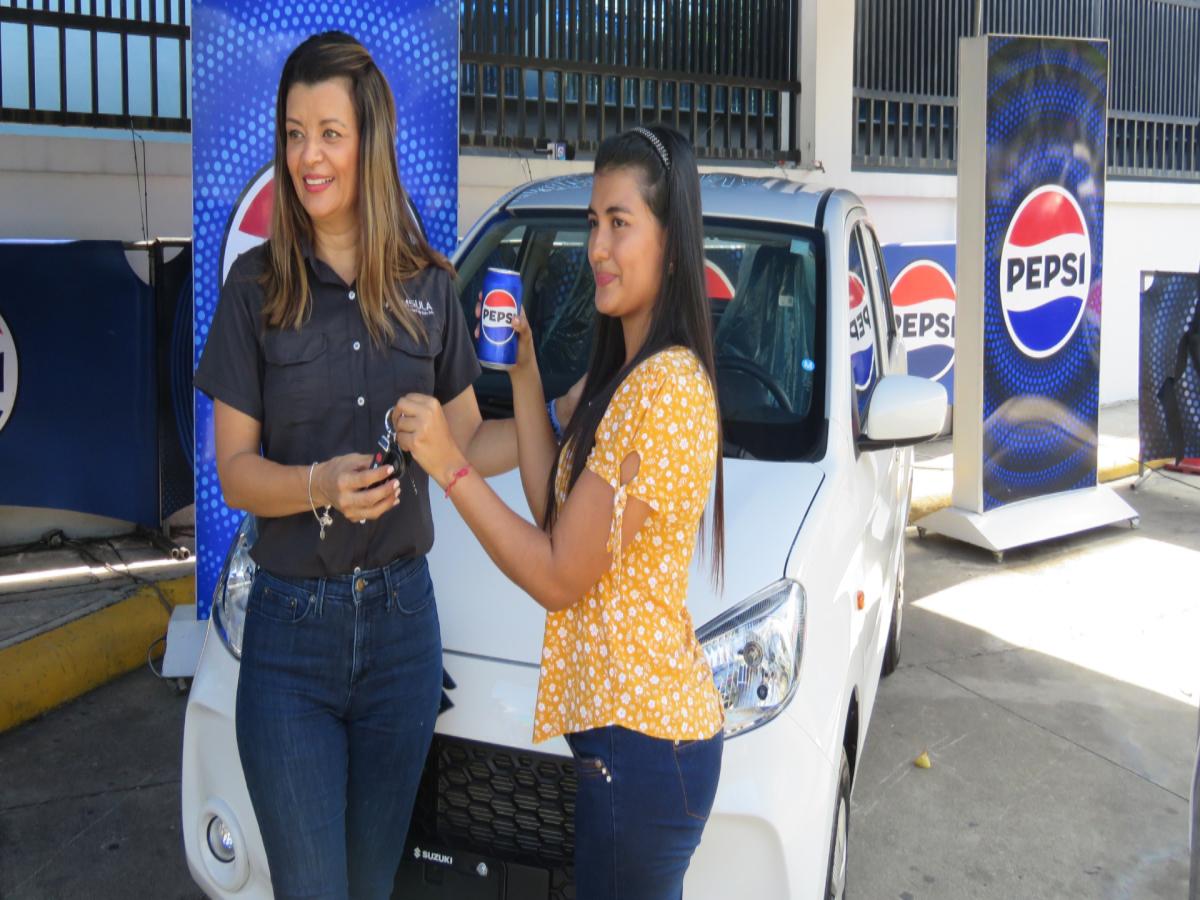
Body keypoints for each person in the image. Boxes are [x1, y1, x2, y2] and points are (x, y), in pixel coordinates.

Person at [192, 31, 561, 899]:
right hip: (290, 636)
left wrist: (549, 406)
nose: (308, 157)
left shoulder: (429, 285)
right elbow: (235, 471)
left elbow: (465, 447)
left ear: (371, 141)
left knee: (371, 886)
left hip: (402, 635)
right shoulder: (255, 289)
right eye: (294, 134)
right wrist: (316, 485)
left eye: (330, 133)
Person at [393, 124, 726, 899]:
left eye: (620, 223)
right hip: (629, 746)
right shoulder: (630, 375)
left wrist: (448, 465)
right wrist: (529, 372)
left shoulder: (667, 389)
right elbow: (554, 513)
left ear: (671, 242)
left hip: (646, 746)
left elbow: (556, 574)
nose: (598, 248)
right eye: (592, 223)